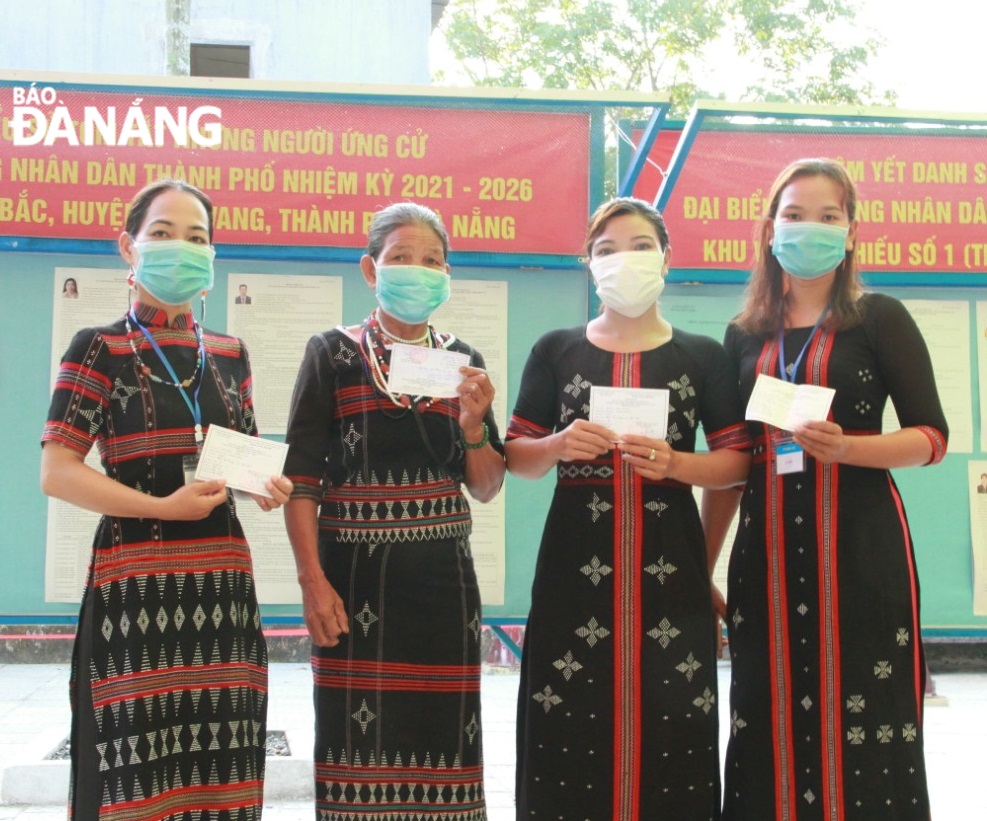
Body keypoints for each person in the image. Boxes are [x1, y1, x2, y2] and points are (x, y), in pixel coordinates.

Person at [703, 158, 948, 820]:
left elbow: (931, 438)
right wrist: (702, 566)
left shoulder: (877, 317)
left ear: (849, 231)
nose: (809, 227)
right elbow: (734, 460)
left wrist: (848, 448)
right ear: (768, 226)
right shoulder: (743, 334)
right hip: (767, 557)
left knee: (864, 714)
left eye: (827, 215)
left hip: (860, 549)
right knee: (762, 709)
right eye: (793, 213)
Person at [40, 179, 293, 819]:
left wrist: (265, 484)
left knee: (223, 760)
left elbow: (238, 459)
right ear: (128, 247)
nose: (180, 247)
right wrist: (162, 507)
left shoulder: (232, 354)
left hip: (223, 591)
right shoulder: (99, 348)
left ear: (213, 255)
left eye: (197, 237)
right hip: (135, 587)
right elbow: (58, 471)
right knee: (134, 765)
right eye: (162, 233)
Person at [505, 197, 752, 819]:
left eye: (641, 245)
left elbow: (737, 465)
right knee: (564, 723)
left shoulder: (703, 355)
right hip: (571, 575)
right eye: (607, 249)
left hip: (672, 573)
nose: (625, 260)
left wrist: (675, 464)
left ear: (666, 257)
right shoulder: (555, 349)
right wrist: (559, 445)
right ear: (589, 265)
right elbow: (516, 457)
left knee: (675, 727)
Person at [283, 202, 505, 818]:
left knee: (444, 749)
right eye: (401, 258)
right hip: (352, 586)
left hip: (443, 587)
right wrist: (312, 583)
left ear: (448, 273)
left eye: (431, 260)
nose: (417, 270)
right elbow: (301, 481)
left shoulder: (464, 360)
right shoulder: (333, 352)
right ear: (370, 268)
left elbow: (486, 487)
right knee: (357, 748)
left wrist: (474, 424)